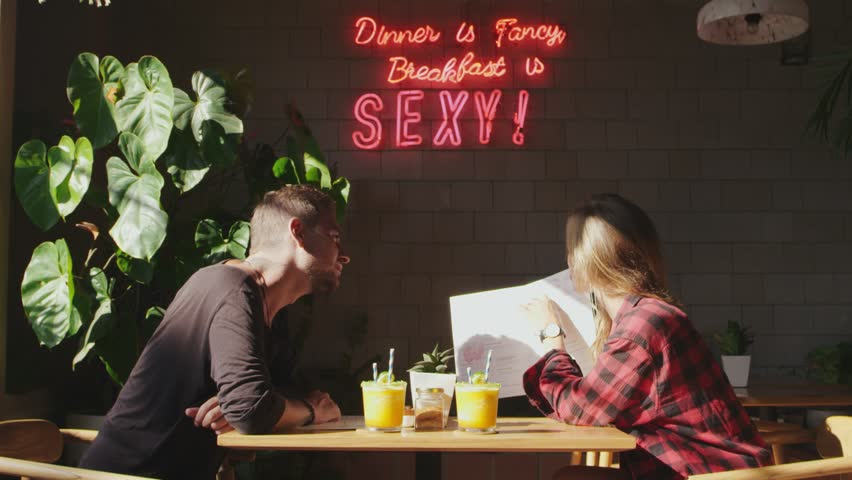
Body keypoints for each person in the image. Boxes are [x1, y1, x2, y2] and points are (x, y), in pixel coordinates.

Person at [80, 185, 350, 479]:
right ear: (297, 232)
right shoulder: (232, 288)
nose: (343, 256)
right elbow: (252, 410)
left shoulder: (260, 309)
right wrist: (311, 410)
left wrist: (244, 409)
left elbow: (252, 406)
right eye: (334, 238)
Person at [522, 193, 771, 480]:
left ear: (584, 262)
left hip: (711, 476)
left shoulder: (642, 325)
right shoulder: (644, 316)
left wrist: (552, 337)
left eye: (571, 250)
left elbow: (580, 408)